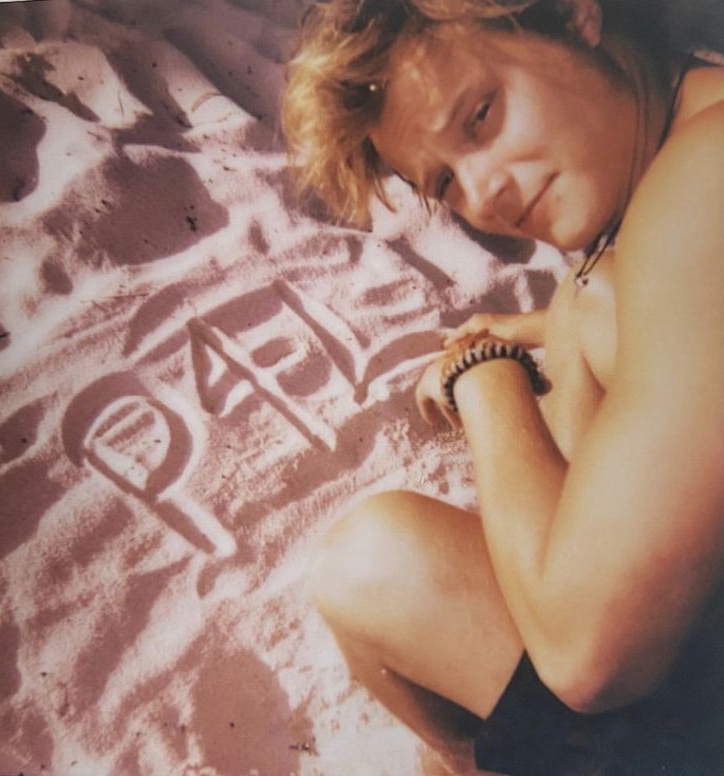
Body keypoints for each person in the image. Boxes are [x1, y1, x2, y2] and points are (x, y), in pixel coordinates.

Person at [281, 1, 724, 773]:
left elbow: (588, 653)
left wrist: (482, 378)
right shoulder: (695, 126)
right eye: (445, 181)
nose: (484, 196)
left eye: (481, 116)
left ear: (576, 13)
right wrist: (554, 321)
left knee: (375, 564)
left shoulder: (699, 189)